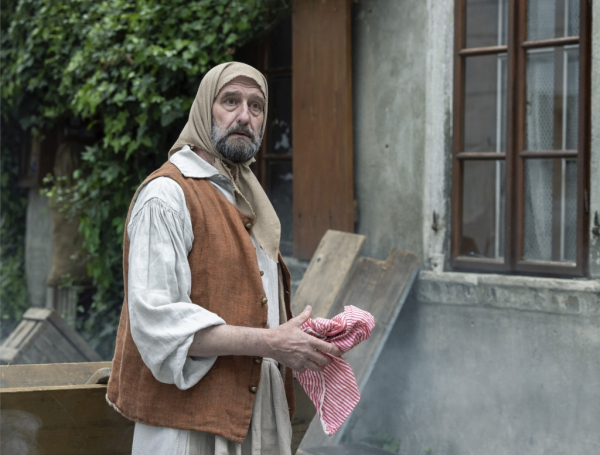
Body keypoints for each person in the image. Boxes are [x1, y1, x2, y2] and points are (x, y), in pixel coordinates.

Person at [106, 62, 343, 455]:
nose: (244, 116)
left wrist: (296, 338)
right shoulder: (166, 196)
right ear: (205, 110)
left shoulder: (248, 197)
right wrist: (272, 342)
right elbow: (158, 324)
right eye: (230, 101)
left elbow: (250, 303)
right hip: (187, 430)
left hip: (253, 417)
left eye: (256, 106)